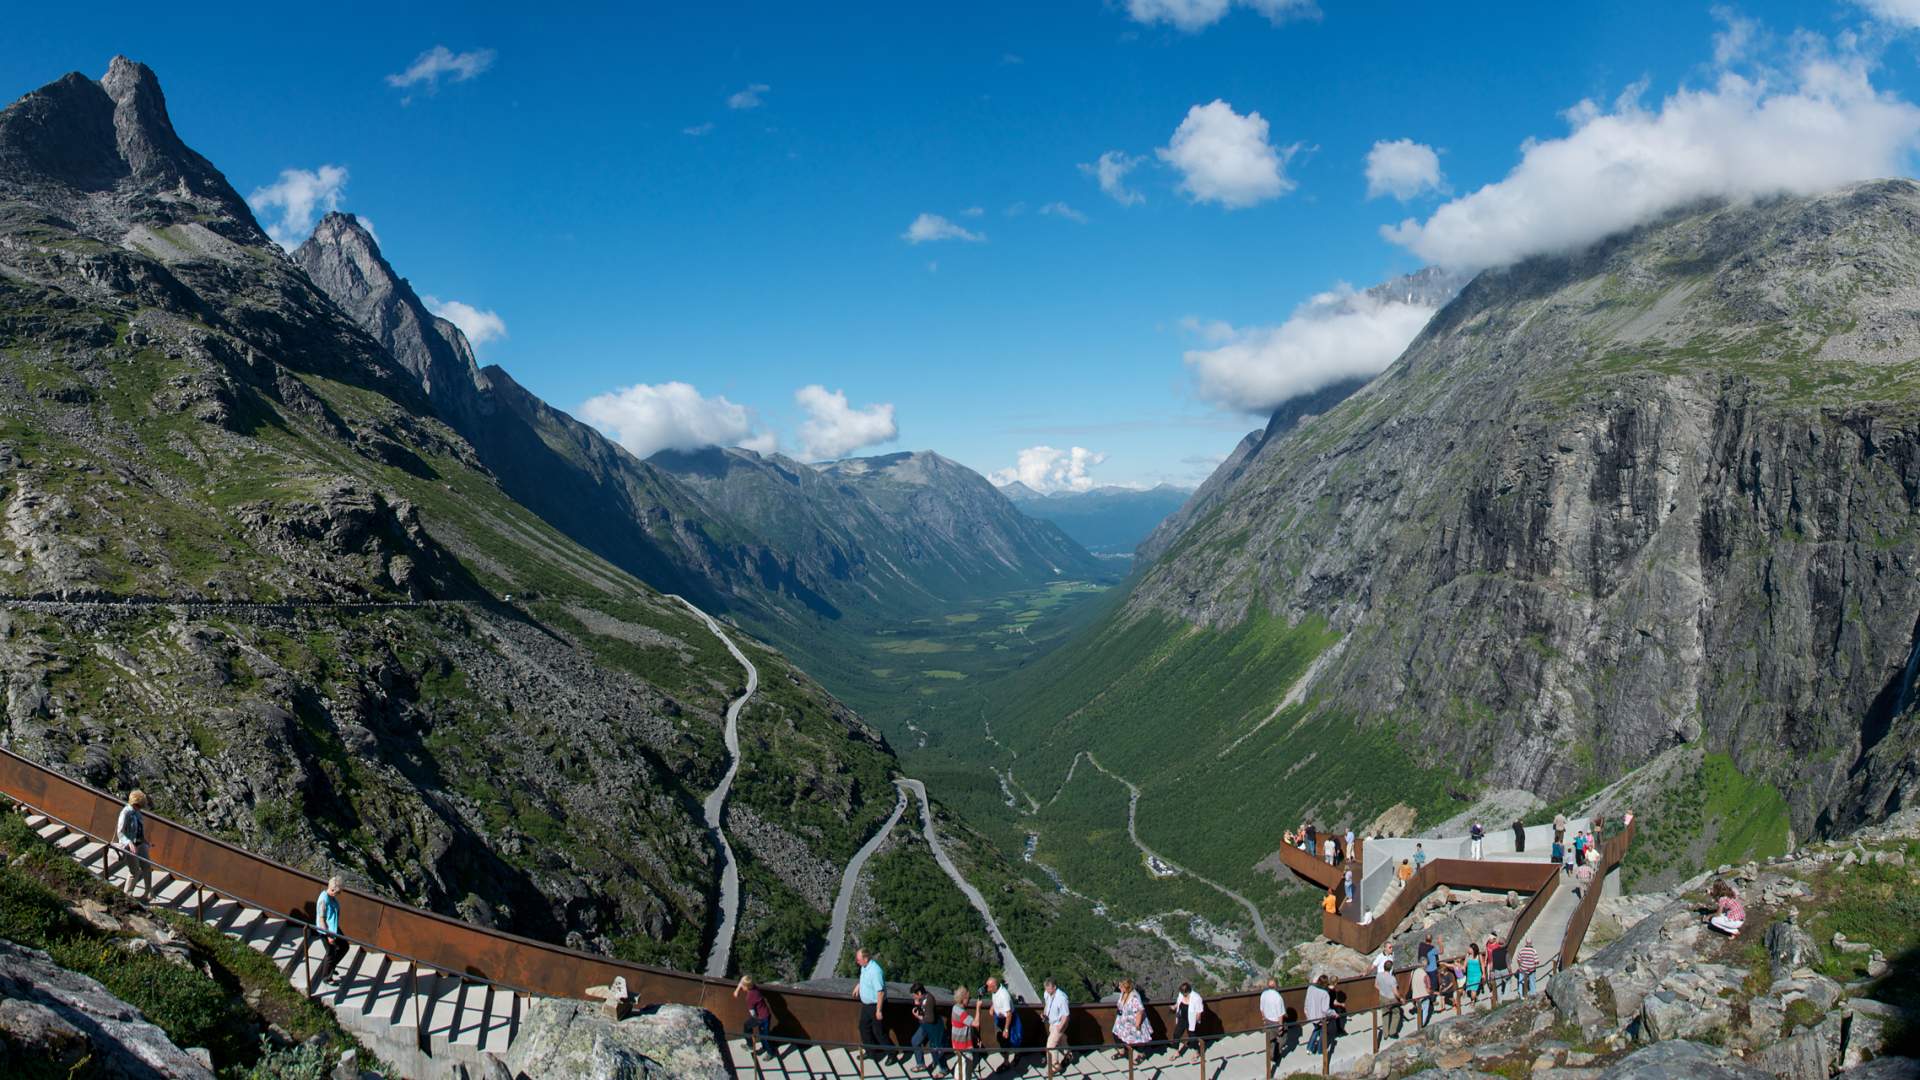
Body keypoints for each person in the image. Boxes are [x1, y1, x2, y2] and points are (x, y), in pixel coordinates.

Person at [313, 876, 350, 988]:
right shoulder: (324, 900)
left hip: (333, 929)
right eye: (338, 892)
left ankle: (331, 967)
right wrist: (329, 936)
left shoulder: (331, 897)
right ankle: (326, 978)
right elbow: (321, 919)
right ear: (332, 889)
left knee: (344, 947)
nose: (339, 894)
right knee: (330, 953)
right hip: (326, 931)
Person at [853, 947, 890, 1061]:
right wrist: (858, 986)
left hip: (875, 1005)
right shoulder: (865, 967)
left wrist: (878, 1010)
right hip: (866, 1005)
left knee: (879, 1032)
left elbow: (880, 992)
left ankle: (892, 1053)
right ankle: (870, 1052)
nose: (857, 962)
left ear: (866, 958)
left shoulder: (875, 971)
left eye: (858, 959)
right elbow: (864, 978)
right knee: (863, 1028)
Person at [114, 790, 151, 898]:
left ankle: (148, 892)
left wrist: (145, 840)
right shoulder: (125, 813)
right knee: (134, 871)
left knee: (146, 867)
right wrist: (129, 842)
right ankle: (127, 895)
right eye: (140, 806)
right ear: (135, 804)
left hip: (140, 843)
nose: (141, 809)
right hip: (130, 845)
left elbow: (139, 828)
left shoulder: (137, 813)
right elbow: (120, 832)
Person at [911, 982, 947, 1075]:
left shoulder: (929, 999)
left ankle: (943, 1069)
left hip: (934, 1027)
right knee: (915, 1041)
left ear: (919, 993)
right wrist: (916, 1005)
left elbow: (930, 1019)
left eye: (914, 994)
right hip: (924, 1025)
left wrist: (918, 1017)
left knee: (935, 1047)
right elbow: (921, 1010)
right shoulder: (922, 999)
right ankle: (920, 1064)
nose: (913, 996)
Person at [735, 976, 775, 1060]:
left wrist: (755, 1020)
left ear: (746, 987)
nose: (741, 986)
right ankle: (753, 1045)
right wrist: (737, 990)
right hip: (763, 1015)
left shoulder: (750, 997)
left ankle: (770, 1052)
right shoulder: (754, 987)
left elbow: (753, 1014)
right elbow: (742, 981)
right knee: (749, 1027)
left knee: (764, 1037)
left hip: (762, 1018)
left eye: (742, 986)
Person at [1111, 979, 1149, 1061]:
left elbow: (1140, 1011)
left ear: (1127, 987)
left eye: (1121, 986)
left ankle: (1141, 1055)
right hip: (1123, 1020)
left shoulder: (1134, 997)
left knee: (1138, 1039)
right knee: (1116, 1034)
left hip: (1134, 1022)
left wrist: (1138, 1025)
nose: (1119, 987)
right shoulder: (1123, 993)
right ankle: (1121, 1052)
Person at [986, 975, 1017, 1068]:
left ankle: (1007, 1061)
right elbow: (995, 998)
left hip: (1006, 1020)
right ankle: (1006, 1057)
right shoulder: (995, 991)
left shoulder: (1004, 995)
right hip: (999, 1018)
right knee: (1000, 1039)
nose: (987, 989)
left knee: (1006, 1041)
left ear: (994, 986)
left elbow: (1009, 1014)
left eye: (989, 987)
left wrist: (1006, 1029)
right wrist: (992, 1007)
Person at [949, 986, 979, 1080]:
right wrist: (978, 1007)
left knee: (960, 1066)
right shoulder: (961, 1013)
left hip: (957, 1043)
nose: (969, 1000)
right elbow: (976, 1023)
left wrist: (975, 1037)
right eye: (968, 998)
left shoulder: (955, 1008)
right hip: (963, 1046)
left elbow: (966, 1026)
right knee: (964, 1069)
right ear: (963, 999)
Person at [1042, 977, 1070, 1076]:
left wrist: (1060, 1027)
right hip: (1051, 1022)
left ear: (1054, 987)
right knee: (1061, 1039)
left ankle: (1055, 1066)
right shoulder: (1047, 993)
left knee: (1050, 1046)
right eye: (1046, 988)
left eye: (1048, 988)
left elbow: (1065, 1015)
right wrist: (1045, 1014)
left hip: (1059, 1023)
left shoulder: (1061, 998)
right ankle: (1068, 1054)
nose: (1046, 991)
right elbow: (1047, 1004)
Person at [1258, 976, 1288, 1066]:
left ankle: (1271, 1054)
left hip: (1267, 1020)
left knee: (1270, 1039)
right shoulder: (1278, 997)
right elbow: (1280, 1014)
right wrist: (1281, 1026)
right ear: (1276, 985)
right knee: (1283, 1038)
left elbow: (1261, 1009)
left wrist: (1264, 1019)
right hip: (1276, 1021)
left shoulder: (1264, 994)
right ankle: (1276, 1053)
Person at [1172, 981, 1204, 1061]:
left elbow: (1199, 1011)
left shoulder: (1196, 998)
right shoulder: (1181, 994)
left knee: (1192, 1037)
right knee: (1176, 1034)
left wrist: (1195, 1023)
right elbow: (1178, 1003)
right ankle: (1176, 1052)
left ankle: (1197, 1051)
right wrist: (1174, 1006)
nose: (1183, 995)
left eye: (1184, 993)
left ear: (1188, 991)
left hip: (1191, 1020)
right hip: (1182, 1018)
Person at [1304, 975, 1333, 1056]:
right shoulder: (1325, 993)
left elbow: (1307, 1001)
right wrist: (1333, 1013)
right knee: (1321, 1032)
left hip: (1311, 1015)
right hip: (1321, 1017)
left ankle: (1309, 1049)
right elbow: (1325, 1009)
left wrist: (1306, 1011)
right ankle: (1320, 1050)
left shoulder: (1310, 988)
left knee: (1317, 1030)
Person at [1375, 960, 1404, 1038]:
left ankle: (1385, 1034)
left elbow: (1376, 985)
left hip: (1382, 997)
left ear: (1384, 967)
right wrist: (1401, 998)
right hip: (1391, 999)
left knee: (1385, 1014)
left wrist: (1382, 990)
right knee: (1396, 1014)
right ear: (1391, 968)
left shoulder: (1379, 975)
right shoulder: (1392, 979)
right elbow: (1395, 992)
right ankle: (1392, 1032)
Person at [1410, 960, 1433, 1026]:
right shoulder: (1425, 975)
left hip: (1415, 996)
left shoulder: (1413, 972)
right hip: (1424, 996)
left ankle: (1419, 1022)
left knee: (1419, 1010)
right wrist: (1433, 992)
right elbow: (1428, 989)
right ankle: (1422, 1024)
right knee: (1425, 1010)